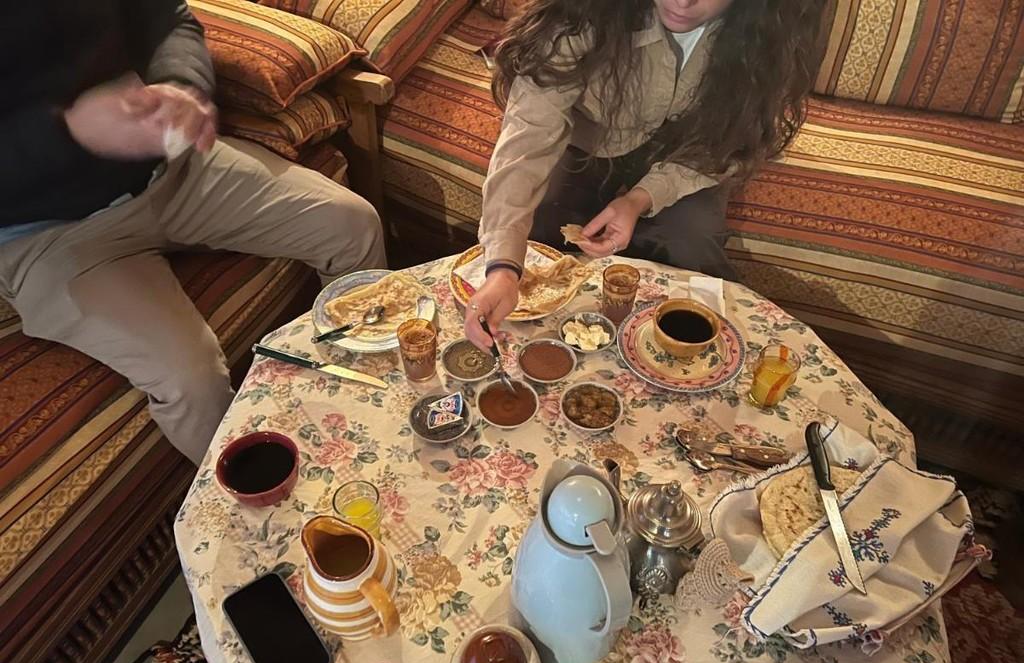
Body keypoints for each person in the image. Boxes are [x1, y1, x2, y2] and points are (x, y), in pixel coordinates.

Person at [0, 1, 386, 465]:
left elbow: (167, 17)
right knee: (190, 380)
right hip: (52, 236)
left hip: (173, 167)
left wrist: (180, 83)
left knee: (350, 224)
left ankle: (367, 400)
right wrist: (68, 132)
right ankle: (257, 502)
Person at [464, 0, 824, 349]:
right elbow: (529, 138)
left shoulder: (766, 36)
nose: (682, 2)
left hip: (688, 154)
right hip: (588, 144)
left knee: (692, 239)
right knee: (539, 225)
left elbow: (727, 142)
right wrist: (503, 266)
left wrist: (641, 198)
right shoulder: (580, 12)